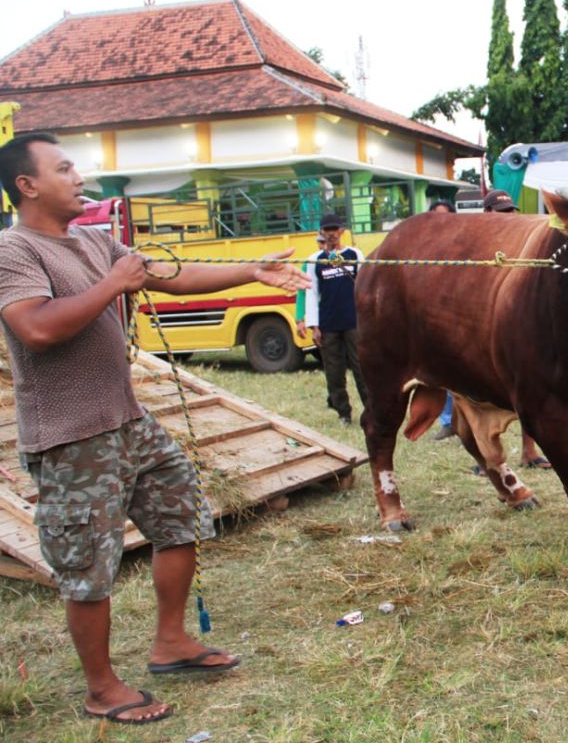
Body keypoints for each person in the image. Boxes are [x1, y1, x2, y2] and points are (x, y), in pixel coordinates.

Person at [0, 133, 308, 723]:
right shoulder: (15, 252)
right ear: (27, 185)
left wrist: (253, 271)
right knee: (87, 562)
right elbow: (37, 329)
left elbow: (167, 274)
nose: (79, 176)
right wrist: (113, 285)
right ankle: (101, 688)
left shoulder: (92, 239)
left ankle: (171, 643)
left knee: (182, 514)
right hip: (70, 435)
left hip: (127, 420)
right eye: (65, 168)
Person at [481, 189, 551, 467]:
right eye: (501, 214)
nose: (508, 218)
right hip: (482, 327)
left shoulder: (524, 245)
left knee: (528, 385)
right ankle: (484, 453)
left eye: (511, 212)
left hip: (518, 325)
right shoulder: (476, 246)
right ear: (487, 215)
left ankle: (529, 450)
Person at [305, 213, 368, 426]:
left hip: (354, 322)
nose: (332, 234)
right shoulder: (314, 260)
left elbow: (366, 287)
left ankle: (371, 410)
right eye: (327, 230)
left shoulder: (355, 254)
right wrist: (314, 326)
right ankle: (343, 413)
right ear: (322, 233)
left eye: (335, 230)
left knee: (362, 368)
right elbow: (312, 294)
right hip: (328, 323)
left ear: (342, 231)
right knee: (334, 372)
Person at [426, 199, 460, 440]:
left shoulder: (461, 247)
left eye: (445, 218)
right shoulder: (422, 249)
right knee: (441, 374)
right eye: (435, 217)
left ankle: (466, 424)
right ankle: (448, 422)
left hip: (461, 320)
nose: (440, 223)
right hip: (433, 320)